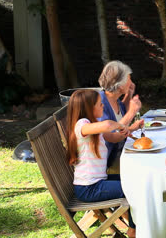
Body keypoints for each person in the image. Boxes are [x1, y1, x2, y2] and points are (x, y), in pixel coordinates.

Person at [66, 89, 136, 237]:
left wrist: (124, 132)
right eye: (100, 104)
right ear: (89, 108)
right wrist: (119, 125)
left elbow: (112, 137)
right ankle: (133, 230)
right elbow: (107, 126)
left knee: (134, 180)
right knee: (133, 187)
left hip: (97, 183)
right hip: (89, 188)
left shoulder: (93, 126)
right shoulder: (81, 125)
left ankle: (134, 227)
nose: (103, 106)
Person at [98, 60, 144, 174]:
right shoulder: (100, 102)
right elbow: (112, 136)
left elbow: (121, 114)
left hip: (121, 154)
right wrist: (132, 112)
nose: (131, 82)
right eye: (129, 79)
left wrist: (129, 95)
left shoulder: (114, 99)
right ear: (120, 84)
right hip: (110, 162)